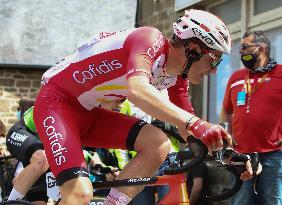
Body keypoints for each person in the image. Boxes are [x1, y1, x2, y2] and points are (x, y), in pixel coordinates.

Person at [33, 9, 256, 205]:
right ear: (194, 49)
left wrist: (228, 155)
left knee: (158, 144)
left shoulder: (177, 77)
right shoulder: (150, 39)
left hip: (89, 114)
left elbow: (189, 130)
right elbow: (138, 90)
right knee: (80, 194)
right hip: (57, 104)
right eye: (215, 59)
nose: (215, 70)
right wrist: (196, 123)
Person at [221, 30, 282, 205]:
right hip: (241, 154)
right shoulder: (236, 78)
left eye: (245, 47)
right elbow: (226, 111)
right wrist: (227, 136)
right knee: (241, 201)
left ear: (261, 49)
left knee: (273, 201)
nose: (240, 52)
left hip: (274, 155)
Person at [6, 99, 49, 205]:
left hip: (42, 141)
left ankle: (22, 180)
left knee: (39, 202)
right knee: (41, 159)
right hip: (23, 130)